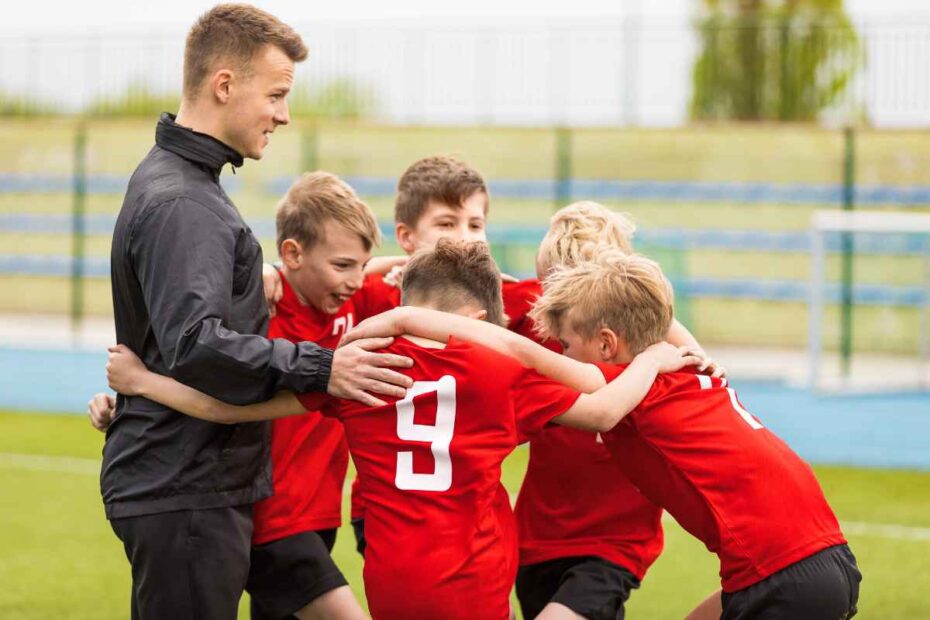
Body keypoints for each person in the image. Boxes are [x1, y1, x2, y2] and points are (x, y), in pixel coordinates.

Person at [104, 240, 704, 620]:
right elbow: (603, 410)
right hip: (474, 579)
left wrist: (140, 382)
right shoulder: (500, 371)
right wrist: (656, 358)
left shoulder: (354, 368)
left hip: (394, 578)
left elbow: (227, 408)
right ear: (476, 319)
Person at [99, 6, 412, 619]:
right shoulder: (184, 200)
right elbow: (197, 346)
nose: (283, 113)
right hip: (184, 483)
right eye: (275, 94)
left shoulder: (186, 185)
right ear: (224, 85)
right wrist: (324, 367)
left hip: (187, 481)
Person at [347, 249, 862, 620]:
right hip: (806, 564)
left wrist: (408, 315)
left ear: (607, 343)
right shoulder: (681, 370)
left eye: (568, 345)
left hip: (786, 579)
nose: (562, 356)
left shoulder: (637, 381)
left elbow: (522, 354)